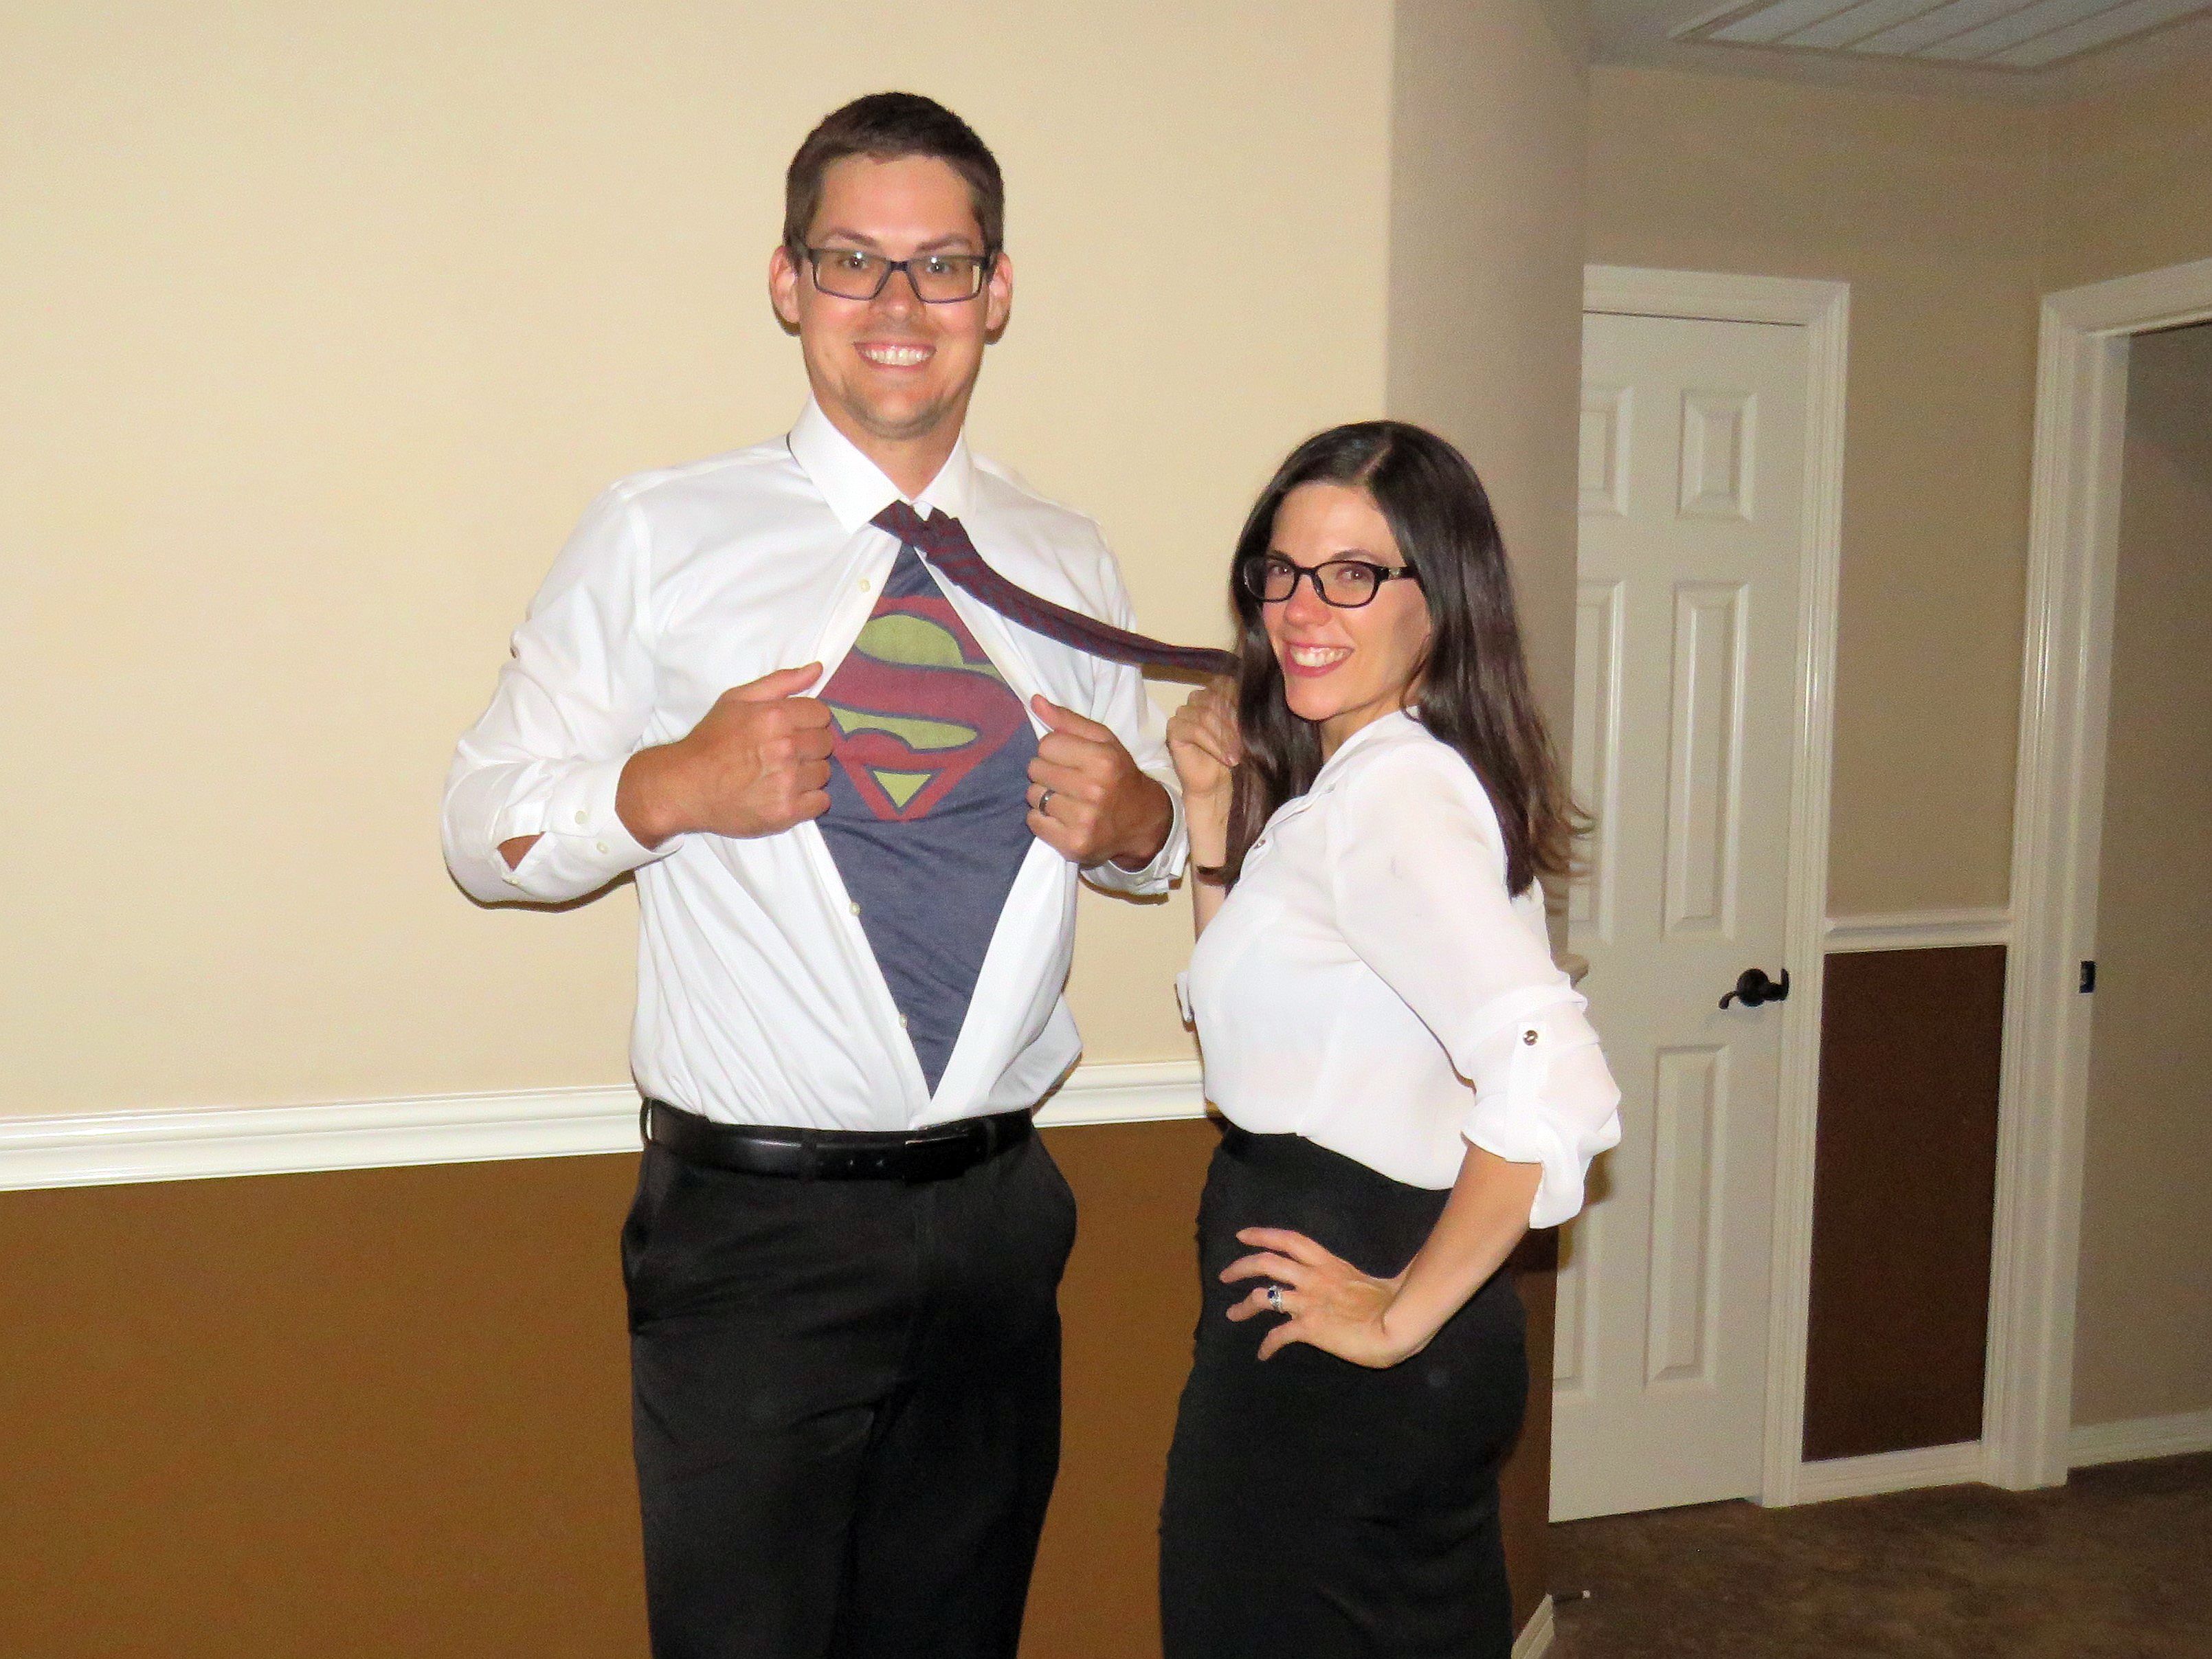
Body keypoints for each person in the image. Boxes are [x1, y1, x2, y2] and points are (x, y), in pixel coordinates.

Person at [443, 93, 1220, 1659]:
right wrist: (673, 787)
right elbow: (481, 827)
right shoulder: (661, 532)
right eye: (854, 260)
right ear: (788, 282)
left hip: (1000, 1216)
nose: (897, 303)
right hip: (756, 1236)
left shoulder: (1063, 554)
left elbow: (1142, 845)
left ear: (997, 290)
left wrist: (1140, 820)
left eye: (942, 264)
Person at [1159, 421, 1624, 1659]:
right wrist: (1214, 817)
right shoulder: (1382, 783)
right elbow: (1263, 1054)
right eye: (1283, 570)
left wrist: (1396, 1315)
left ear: (1443, 597)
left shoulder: (1394, 797)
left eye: (1355, 573)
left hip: (1339, 1343)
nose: (1302, 608)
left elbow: (1555, 1076)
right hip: (1353, 1320)